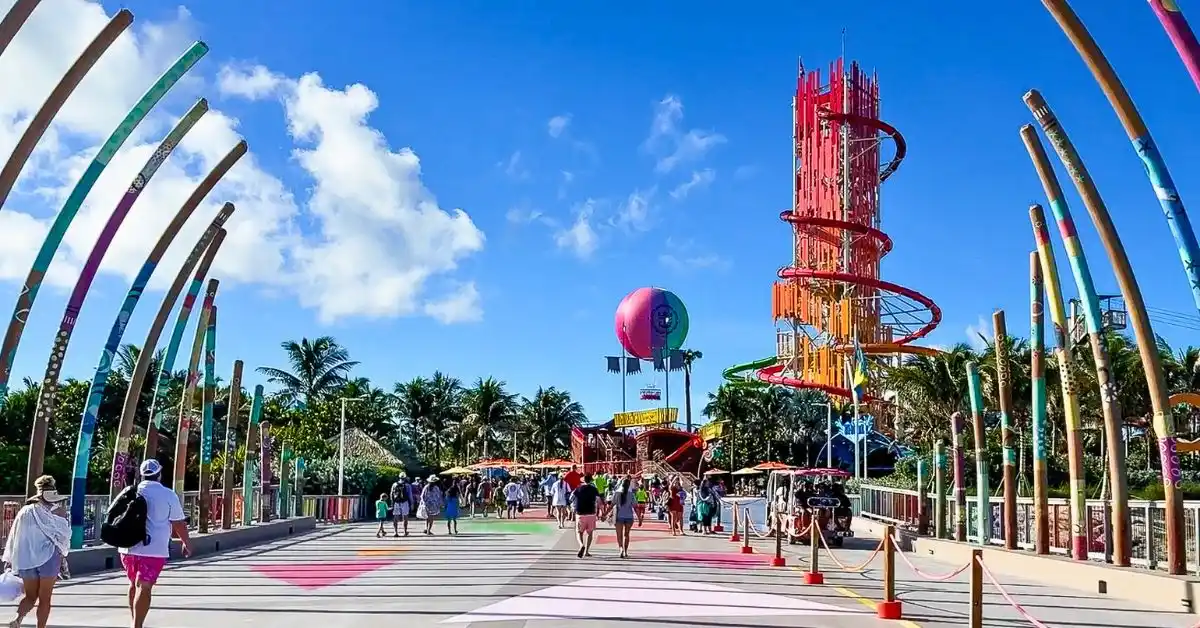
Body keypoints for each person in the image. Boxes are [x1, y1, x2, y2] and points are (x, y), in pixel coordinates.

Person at [119, 459, 191, 628]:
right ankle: (137, 625)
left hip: (127, 548)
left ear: (142, 475)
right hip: (153, 550)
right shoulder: (167, 494)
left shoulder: (129, 491)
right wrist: (186, 542)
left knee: (133, 584)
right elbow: (178, 523)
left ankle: (134, 621)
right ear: (159, 474)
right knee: (144, 586)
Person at [2, 475, 70, 628]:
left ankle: (18, 620)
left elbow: (15, 536)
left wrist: (12, 558)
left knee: (31, 596)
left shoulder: (25, 511)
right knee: (45, 599)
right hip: (49, 559)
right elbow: (64, 536)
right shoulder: (58, 511)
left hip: (26, 559)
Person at [571, 475, 601, 558]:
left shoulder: (578, 488)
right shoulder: (594, 489)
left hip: (580, 513)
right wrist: (603, 512)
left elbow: (571, 498)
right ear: (591, 480)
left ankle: (581, 545)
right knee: (590, 533)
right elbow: (599, 501)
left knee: (579, 532)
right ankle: (587, 551)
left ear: (583, 480)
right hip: (591, 513)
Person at [610, 476, 637, 558]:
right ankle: (625, 551)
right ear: (629, 485)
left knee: (619, 535)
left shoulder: (617, 493)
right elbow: (635, 506)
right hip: (629, 517)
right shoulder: (631, 494)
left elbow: (611, 505)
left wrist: (605, 514)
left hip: (619, 516)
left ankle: (621, 548)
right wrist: (639, 518)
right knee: (627, 535)